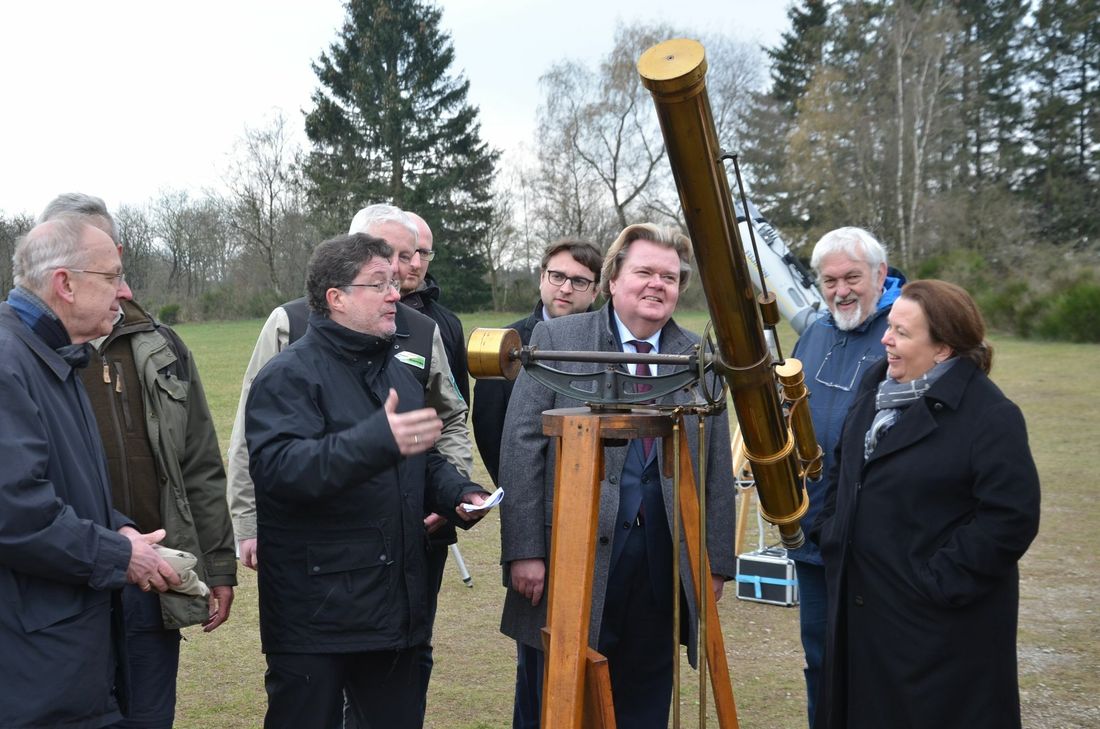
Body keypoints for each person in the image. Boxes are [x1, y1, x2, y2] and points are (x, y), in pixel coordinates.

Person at [227, 204, 472, 722]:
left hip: (396, 610)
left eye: (394, 281)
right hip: (318, 617)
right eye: (378, 284)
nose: (395, 293)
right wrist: (374, 440)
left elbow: (418, 458)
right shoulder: (289, 375)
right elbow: (282, 470)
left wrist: (456, 493)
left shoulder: (400, 370)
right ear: (336, 298)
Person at [498, 223, 736, 729]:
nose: (657, 285)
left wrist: (714, 561)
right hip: (570, 564)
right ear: (612, 280)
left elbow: (715, 469)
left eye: (669, 277)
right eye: (644, 272)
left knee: (645, 703)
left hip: (662, 569)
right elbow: (521, 447)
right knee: (557, 704)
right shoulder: (559, 339)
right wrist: (524, 550)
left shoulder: (701, 359)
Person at [38, 194, 237, 729]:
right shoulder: (30, 357)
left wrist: (217, 565)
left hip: (153, 577)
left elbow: (199, 464)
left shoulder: (163, 346)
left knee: (148, 717)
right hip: (64, 588)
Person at [811, 279, 1041, 729]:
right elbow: (844, 466)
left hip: (938, 633)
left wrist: (938, 582)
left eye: (902, 332)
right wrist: (831, 530)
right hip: (862, 612)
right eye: (890, 326)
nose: (886, 339)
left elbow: (1011, 517)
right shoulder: (876, 387)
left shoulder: (990, 416)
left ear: (943, 349)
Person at [0, 215, 181, 728]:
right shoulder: (9, 362)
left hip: (63, 648)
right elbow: (14, 512)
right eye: (112, 277)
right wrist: (118, 552)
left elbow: (65, 484)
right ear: (65, 283)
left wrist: (116, 522)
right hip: (33, 666)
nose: (123, 292)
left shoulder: (56, 356)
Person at [787, 227, 904, 725]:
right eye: (829, 280)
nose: (840, 291)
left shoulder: (905, 333)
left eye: (852, 277)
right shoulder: (814, 332)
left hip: (879, 540)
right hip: (815, 536)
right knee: (821, 659)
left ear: (880, 274)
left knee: (880, 664)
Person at [472, 237, 603, 486]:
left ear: (595, 290)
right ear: (543, 277)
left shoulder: (612, 348)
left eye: (579, 281)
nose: (565, 288)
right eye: (557, 276)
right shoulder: (501, 345)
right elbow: (490, 433)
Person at [395, 211, 470, 407]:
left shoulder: (448, 324)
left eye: (425, 253)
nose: (416, 263)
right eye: (409, 251)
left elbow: (456, 409)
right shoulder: (348, 313)